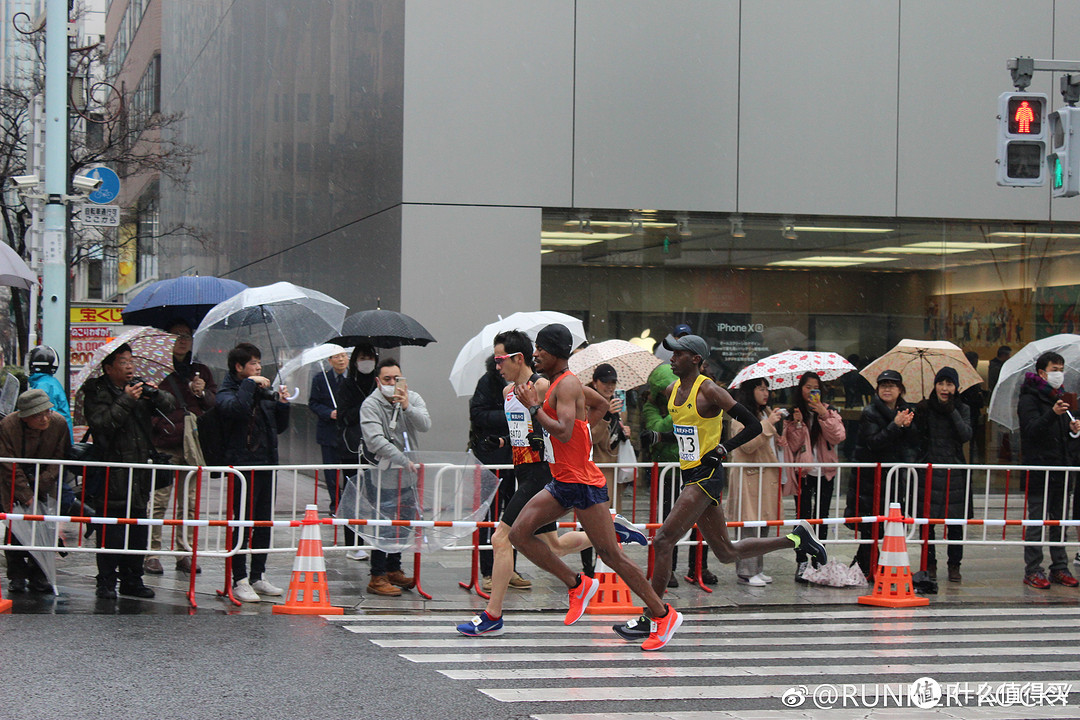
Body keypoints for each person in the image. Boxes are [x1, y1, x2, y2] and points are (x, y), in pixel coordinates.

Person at [612, 334, 825, 643]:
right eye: (671, 353)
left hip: (706, 476)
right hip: (690, 475)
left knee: (663, 540)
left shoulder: (710, 390)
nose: (671, 358)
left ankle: (653, 616)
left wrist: (724, 449)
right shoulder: (673, 390)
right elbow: (691, 434)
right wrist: (662, 438)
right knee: (726, 552)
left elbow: (752, 425)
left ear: (696, 359)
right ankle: (796, 538)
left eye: (679, 354)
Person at [457, 330, 642, 637]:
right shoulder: (507, 392)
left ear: (519, 358)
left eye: (501, 359)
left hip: (542, 473)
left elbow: (595, 405)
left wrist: (569, 440)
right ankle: (610, 526)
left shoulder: (543, 385)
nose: (496, 365)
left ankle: (493, 614)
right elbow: (526, 431)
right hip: (522, 471)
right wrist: (502, 440)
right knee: (554, 546)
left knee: (502, 539)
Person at [508, 324, 680, 651]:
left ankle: (662, 613)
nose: (536, 355)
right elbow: (599, 406)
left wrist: (535, 410)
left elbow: (560, 431)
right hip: (563, 481)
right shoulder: (561, 384)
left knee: (611, 555)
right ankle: (577, 584)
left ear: (555, 351)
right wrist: (584, 434)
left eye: (540, 349)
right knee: (518, 534)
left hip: (583, 484)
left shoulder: (568, 384)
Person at [82, 343, 176, 599]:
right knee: (111, 532)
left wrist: (154, 394)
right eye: (123, 362)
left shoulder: (139, 386)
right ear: (109, 367)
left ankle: (133, 580)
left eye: (131, 361)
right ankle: (106, 583)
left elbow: (170, 405)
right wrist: (126, 399)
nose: (130, 366)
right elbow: (102, 424)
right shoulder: (96, 390)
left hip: (138, 474)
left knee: (137, 530)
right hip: (111, 473)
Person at [217, 342, 290, 603]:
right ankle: (240, 578)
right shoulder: (228, 391)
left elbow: (278, 427)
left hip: (266, 463)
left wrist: (282, 403)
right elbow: (234, 410)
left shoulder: (261, 392)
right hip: (242, 466)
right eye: (253, 363)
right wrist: (249, 386)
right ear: (239, 367)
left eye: (259, 362)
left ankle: (258, 574)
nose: (259, 368)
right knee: (242, 523)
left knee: (262, 522)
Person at [148, 320, 216, 575]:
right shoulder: (158, 371)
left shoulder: (200, 370)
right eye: (176, 335)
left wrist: (201, 393)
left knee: (189, 502)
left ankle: (184, 552)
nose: (182, 340)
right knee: (159, 500)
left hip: (193, 445)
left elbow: (213, 402)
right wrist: (161, 425)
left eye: (187, 335)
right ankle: (151, 553)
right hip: (165, 444)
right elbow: (148, 405)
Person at [360, 358, 431, 597]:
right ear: (378, 381)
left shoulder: (413, 398)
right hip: (384, 474)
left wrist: (407, 407)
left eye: (396, 378)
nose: (392, 383)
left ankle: (394, 568)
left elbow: (425, 425)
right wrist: (403, 460)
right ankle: (377, 574)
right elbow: (375, 440)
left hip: (409, 476)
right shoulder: (371, 404)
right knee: (384, 524)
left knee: (405, 522)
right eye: (387, 379)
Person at [1017, 351, 1080, 589]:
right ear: (1042, 373)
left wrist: (1073, 429)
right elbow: (1031, 430)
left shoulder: (1063, 399)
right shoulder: (1030, 398)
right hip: (1038, 469)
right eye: (1054, 369)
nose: (1059, 374)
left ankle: (1059, 567)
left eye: (1061, 369)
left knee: (1059, 522)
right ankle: (1033, 569)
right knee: (1037, 521)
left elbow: (1066, 438)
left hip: (1061, 470)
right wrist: (1052, 414)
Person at [778, 371, 846, 583]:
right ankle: (801, 559)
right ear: (800, 389)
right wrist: (798, 424)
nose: (811, 392)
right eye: (807, 387)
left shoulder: (829, 411)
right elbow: (793, 445)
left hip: (825, 472)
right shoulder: (793, 414)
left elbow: (838, 436)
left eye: (815, 387)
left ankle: (819, 559)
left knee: (822, 516)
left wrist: (823, 414)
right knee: (802, 517)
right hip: (803, 473)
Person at [0, 389, 70, 594]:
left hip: (46, 481)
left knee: (44, 528)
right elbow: (8, 464)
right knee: (16, 528)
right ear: (25, 417)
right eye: (37, 415)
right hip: (13, 480)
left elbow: (60, 458)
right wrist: (26, 494)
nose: (44, 418)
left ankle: (40, 576)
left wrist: (42, 483)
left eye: (47, 412)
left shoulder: (58, 424)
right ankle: (17, 576)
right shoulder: (8, 427)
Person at [848, 369, 916, 578]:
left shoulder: (906, 412)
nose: (887, 389)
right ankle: (867, 569)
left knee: (890, 526)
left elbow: (913, 445)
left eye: (892, 385)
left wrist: (907, 428)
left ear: (900, 390)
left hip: (895, 479)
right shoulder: (870, 412)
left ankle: (866, 568)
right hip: (872, 480)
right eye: (883, 385)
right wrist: (895, 426)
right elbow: (873, 443)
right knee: (871, 527)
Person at [467, 354, 527, 590]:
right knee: (489, 516)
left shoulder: (524, 385)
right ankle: (488, 571)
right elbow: (478, 414)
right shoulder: (487, 382)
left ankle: (510, 568)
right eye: (498, 363)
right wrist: (509, 417)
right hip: (492, 458)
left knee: (514, 516)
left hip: (516, 458)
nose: (502, 367)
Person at [913, 366, 972, 583]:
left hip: (954, 472)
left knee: (956, 523)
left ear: (956, 388)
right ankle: (929, 564)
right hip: (928, 471)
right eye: (941, 383)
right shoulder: (924, 408)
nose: (944, 388)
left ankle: (954, 565)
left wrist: (952, 411)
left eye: (949, 384)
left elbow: (966, 435)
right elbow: (916, 438)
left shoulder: (963, 409)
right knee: (927, 523)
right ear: (935, 385)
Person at [727, 378, 784, 586]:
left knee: (763, 525)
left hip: (764, 477)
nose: (766, 393)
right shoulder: (740, 416)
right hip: (748, 476)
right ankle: (746, 571)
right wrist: (769, 425)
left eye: (767, 388)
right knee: (749, 525)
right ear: (750, 391)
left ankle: (757, 568)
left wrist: (778, 434)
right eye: (760, 389)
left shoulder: (764, 413)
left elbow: (767, 442)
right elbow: (748, 445)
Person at [335, 344, 379, 561]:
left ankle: (376, 540)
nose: (367, 361)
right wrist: (365, 406)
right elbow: (343, 416)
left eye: (370, 357)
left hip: (375, 450)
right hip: (351, 448)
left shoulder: (378, 383)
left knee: (376, 497)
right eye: (363, 357)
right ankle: (353, 543)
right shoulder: (347, 385)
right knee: (352, 497)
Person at [308, 349, 349, 513]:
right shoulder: (321, 378)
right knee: (331, 472)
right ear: (330, 360)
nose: (341, 360)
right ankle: (335, 504)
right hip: (328, 432)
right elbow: (313, 403)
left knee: (349, 470)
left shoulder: (353, 379)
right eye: (337, 357)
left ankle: (348, 503)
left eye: (344, 356)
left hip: (348, 433)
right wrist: (329, 413)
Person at [27, 345, 73, 442]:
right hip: (59, 439)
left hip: (53, 442)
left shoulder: (44, 386)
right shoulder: (49, 382)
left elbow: (44, 419)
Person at [959, 350, 987, 464]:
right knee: (970, 443)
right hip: (971, 413)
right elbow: (975, 398)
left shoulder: (967, 376)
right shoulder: (968, 377)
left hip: (971, 413)